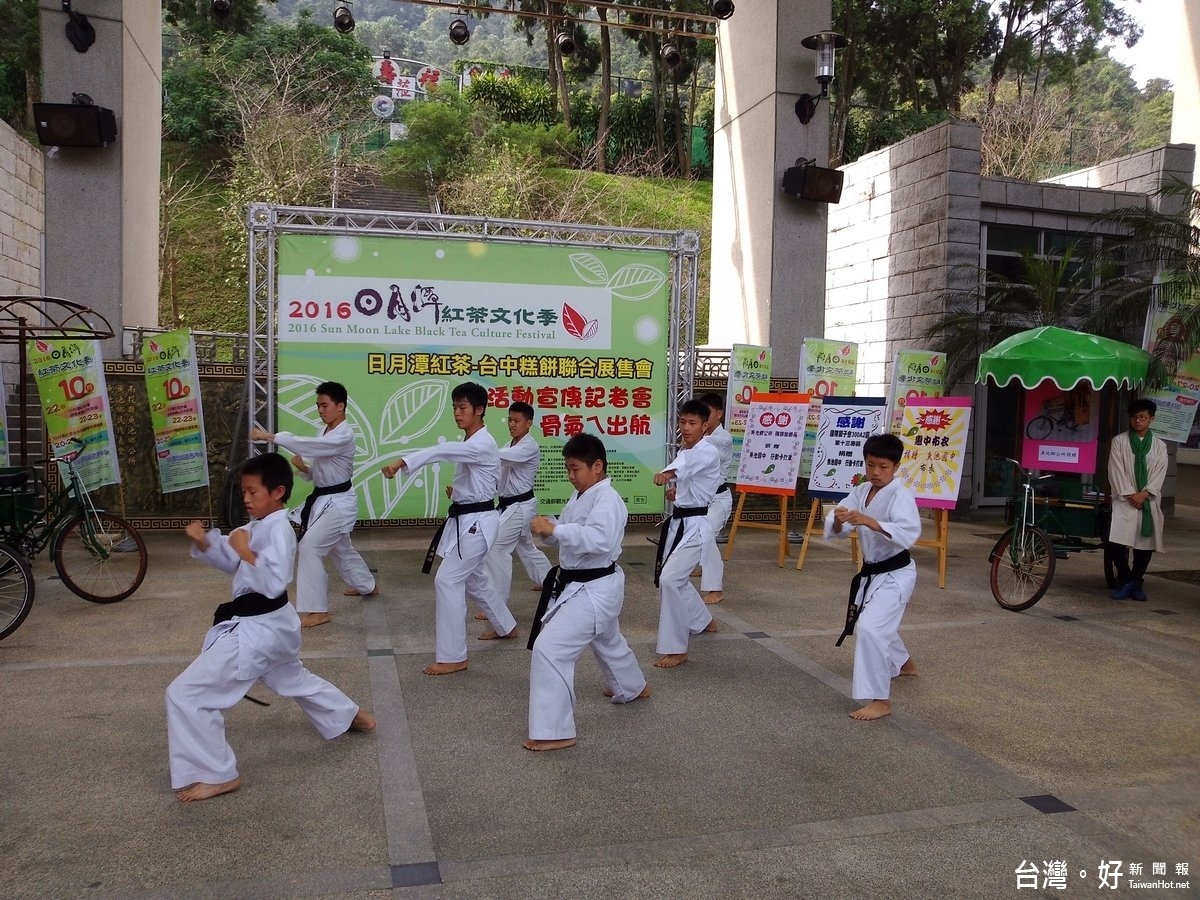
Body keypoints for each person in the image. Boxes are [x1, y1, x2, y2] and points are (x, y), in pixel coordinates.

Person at [166, 453, 375, 803]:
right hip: (273, 628)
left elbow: (274, 578)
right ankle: (351, 715)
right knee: (293, 678)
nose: (246, 499)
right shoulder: (256, 525)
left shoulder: (278, 528)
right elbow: (231, 559)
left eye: (253, 492)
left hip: (258, 631)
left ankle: (216, 773)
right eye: (243, 492)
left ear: (277, 492)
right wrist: (206, 542)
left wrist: (247, 553)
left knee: (185, 694)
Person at [525, 434, 650, 751]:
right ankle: (632, 687)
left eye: (575, 468)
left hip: (595, 588)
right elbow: (570, 535)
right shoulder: (582, 494)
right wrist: (550, 530)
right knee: (608, 640)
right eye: (567, 468)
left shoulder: (607, 500)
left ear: (597, 466)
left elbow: (600, 541)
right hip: (583, 584)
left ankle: (556, 732)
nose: (570, 475)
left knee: (550, 649)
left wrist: (556, 530)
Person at [382, 382, 516, 674]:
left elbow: (443, 451)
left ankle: (455, 656)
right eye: (455, 406)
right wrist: (459, 492)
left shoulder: (481, 443)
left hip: (476, 526)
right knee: (475, 580)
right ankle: (507, 626)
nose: (457, 412)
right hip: (469, 521)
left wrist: (403, 461)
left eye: (463, 407)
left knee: (448, 581)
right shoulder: (473, 442)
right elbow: (479, 482)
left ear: (479, 410)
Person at [251, 382, 376, 629]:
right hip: (325, 500)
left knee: (310, 547)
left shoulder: (344, 434)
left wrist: (271, 437)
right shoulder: (325, 431)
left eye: (325, 405)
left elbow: (310, 446)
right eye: (318, 405)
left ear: (341, 406)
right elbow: (320, 470)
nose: (321, 410)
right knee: (340, 549)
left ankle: (318, 610)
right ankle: (367, 585)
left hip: (339, 503)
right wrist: (305, 469)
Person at [825, 433, 920, 721]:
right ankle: (904, 663)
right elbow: (838, 524)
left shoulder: (901, 495)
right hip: (872, 571)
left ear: (896, 466)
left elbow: (908, 532)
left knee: (870, 628)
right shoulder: (861, 491)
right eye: (870, 465)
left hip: (896, 573)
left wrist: (870, 521)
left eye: (883, 467)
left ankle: (881, 700)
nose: (875, 473)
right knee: (878, 623)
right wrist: (839, 519)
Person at [653, 399, 722, 669]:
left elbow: (687, 467)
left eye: (692, 423)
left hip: (696, 526)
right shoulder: (686, 449)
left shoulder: (708, 451)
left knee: (670, 579)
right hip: (681, 522)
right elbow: (690, 476)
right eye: (683, 422)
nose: (686, 427)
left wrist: (667, 474)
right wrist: (677, 492)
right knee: (673, 579)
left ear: (705, 426)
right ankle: (704, 621)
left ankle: (677, 648)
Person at [480, 402, 551, 633]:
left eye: (517, 420)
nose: (512, 424)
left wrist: (480, 450)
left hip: (520, 507)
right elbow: (497, 472)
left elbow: (503, 457)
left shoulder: (529, 446)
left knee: (495, 549)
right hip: (511, 506)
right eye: (510, 419)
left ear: (529, 423)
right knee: (527, 548)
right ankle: (551, 582)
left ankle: (497, 607)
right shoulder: (508, 444)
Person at [1107, 398, 1167, 602]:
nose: (1137, 422)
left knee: (1144, 545)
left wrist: (1145, 493)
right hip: (1125, 500)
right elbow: (1115, 470)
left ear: (1152, 419)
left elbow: (1160, 473)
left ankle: (1133, 582)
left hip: (1147, 501)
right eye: (1134, 417)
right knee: (1116, 542)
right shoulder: (1119, 442)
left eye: (1142, 417)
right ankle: (1128, 579)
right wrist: (1130, 494)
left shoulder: (1160, 446)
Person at [698, 391, 734, 604]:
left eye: (707, 414)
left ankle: (715, 588)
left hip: (719, 499)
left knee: (707, 534)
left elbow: (704, 448)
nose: (703, 419)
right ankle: (698, 566)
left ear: (719, 414)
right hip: (699, 499)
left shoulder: (723, 438)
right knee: (690, 534)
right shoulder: (698, 437)